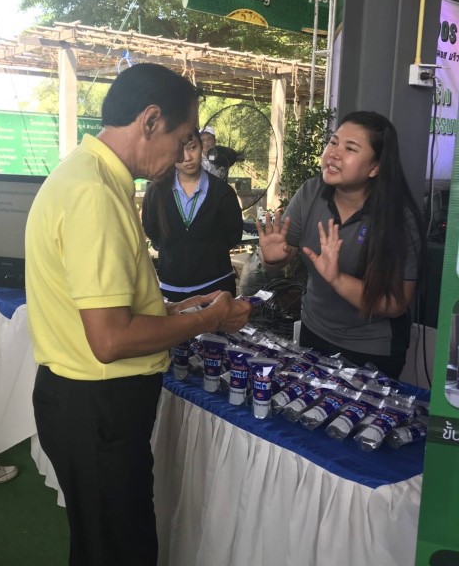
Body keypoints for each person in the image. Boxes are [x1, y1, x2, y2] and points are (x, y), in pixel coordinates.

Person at [25, 63, 252, 566]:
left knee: (101, 544)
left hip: (85, 404)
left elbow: (97, 306)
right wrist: (208, 319)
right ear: (151, 121)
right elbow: (109, 339)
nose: (185, 153)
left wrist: (169, 309)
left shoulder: (85, 174)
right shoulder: (94, 194)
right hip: (98, 407)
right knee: (120, 550)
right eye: (184, 137)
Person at [257, 110, 425, 379]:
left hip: (371, 349)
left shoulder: (398, 219)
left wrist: (336, 278)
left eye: (350, 148)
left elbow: (396, 303)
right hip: (314, 333)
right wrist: (272, 259)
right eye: (333, 142)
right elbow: (279, 259)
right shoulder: (310, 193)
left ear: (375, 167)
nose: (334, 153)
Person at [142, 131, 243, 302]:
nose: (187, 157)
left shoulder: (223, 193)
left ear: (201, 147)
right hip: (171, 289)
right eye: (179, 151)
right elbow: (151, 229)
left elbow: (233, 235)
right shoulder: (156, 191)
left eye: (192, 147)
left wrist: (208, 253)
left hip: (216, 287)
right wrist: (173, 248)